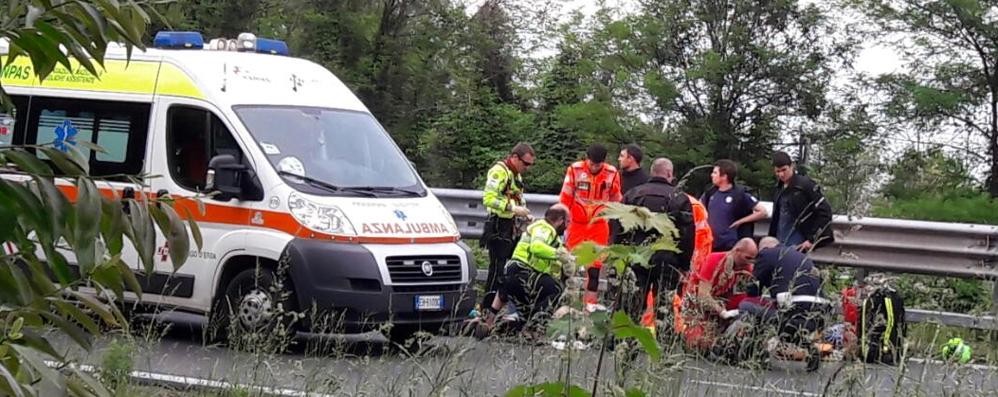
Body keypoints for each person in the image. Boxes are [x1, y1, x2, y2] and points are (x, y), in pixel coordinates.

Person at [617, 158, 695, 334]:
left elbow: (620, 225)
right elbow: (687, 233)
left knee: (633, 302)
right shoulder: (679, 198)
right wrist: (684, 264)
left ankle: (624, 343)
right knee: (664, 305)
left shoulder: (633, 194)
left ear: (652, 172)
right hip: (667, 257)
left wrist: (621, 254)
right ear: (669, 174)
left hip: (638, 255)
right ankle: (662, 348)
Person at [559, 144, 623, 309]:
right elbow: (565, 197)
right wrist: (562, 219)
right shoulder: (575, 170)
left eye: (598, 164)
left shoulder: (612, 173)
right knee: (568, 265)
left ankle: (590, 307)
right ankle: (564, 304)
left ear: (603, 162)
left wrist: (615, 216)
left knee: (594, 270)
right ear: (587, 158)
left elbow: (617, 199)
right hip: (576, 224)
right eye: (592, 163)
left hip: (599, 225)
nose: (594, 167)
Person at [495, 204, 575, 336]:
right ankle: (533, 328)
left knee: (536, 300)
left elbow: (553, 263)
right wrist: (562, 256)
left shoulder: (549, 236)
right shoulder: (545, 229)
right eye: (567, 222)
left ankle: (512, 325)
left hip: (513, 275)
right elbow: (537, 247)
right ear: (560, 220)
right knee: (555, 289)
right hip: (522, 272)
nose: (567, 227)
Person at [739, 237, 828, 343]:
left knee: (745, 305)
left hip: (791, 314)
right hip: (818, 315)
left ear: (764, 248)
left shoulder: (766, 253)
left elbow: (754, 287)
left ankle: (753, 344)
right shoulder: (802, 256)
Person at [677, 238, 758, 351]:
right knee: (698, 344)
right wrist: (721, 311)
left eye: (752, 259)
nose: (749, 262)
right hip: (697, 307)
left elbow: (740, 297)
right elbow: (702, 295)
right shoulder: (714, 259)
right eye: (747, 258)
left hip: (723, 312)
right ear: (737, 251)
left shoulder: (746, 269)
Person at [479, 143, 534, 308]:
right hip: (498, 225)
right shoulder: (499, 171)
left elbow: (517, 196)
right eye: (526, 164)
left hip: (511, 226)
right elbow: (488, 199)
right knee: (497, 269)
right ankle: (486, 308)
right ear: (515, 158)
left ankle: (505, 306)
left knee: (514, 267)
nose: (527, 168)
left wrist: (525, 213)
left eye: (531, 165)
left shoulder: (515, 175)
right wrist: (512, 208)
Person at [768, 151, 834, 252]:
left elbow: (825, 211)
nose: (781, 174)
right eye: (777, 171)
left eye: (784, 170)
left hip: (799, 241)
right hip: (780, 239)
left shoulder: (805, 185)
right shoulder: (779, 188)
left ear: (792, 166)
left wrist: (812, 239)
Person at [701, 159, 768, 252]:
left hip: (730, 244)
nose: (712, 175)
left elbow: (763, 212)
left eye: (715, 173)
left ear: (724, 176)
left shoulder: (739, 194)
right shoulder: (710, 193)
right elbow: (699, 207)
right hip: (711, 243)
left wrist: (740, 222)